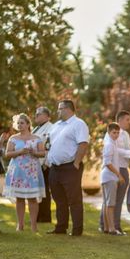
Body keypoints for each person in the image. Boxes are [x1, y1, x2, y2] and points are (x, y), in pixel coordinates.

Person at [46, 99, 89, 236]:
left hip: (70, 167)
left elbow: (83, 144)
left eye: (60, 108)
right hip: (55, 168)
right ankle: (61, 227)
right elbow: (51, 144)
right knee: (59, 199)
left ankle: (77, 230)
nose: (57, 111)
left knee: (74, 200)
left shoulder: (79, 124)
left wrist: (76, 163)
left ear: (68, 109)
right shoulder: (56, 125)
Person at [98, 110, 130, 235]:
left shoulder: (125, 134)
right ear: (120, 120)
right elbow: (115, 150)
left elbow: (124, 151)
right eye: (127, 119)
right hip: (115, 170)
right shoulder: (111, 134)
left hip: (122, 167)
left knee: (115, 200)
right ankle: (109, 226)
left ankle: (111, 226)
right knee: (112, 200)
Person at [3, 113, 46, 232]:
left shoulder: (36, 138)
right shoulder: (13, 138)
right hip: (18, 172)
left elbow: (43, 153)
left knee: (32, 198)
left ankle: (33, 225)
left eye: (22, 123)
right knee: (20, 198)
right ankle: (20, 225)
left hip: (32, 172)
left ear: (28, 124)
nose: (19, 125)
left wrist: (34, 153)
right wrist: (20, 151)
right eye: (18, 123)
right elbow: (7, 154)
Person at [100, 123, 126, 235]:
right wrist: (119, 175)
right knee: (110, 204)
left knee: (107, 203)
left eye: (117, 133)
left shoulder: (112, 143)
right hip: (109, 177)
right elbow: (107, 163)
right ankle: (111, 228)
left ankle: (106, 227)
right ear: (108, 132)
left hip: (107, 177)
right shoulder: (109, 144)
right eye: (113, 133)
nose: (116, 135)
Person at [33, 106, 54, 223]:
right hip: (35, 164)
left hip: (45, 165)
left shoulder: (51, 128)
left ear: (46, 116)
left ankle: (45, 216)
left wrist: (46, 163)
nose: (36, 116)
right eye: (36, 114)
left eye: (39, 114)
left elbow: (49, 147)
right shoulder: (36, 129)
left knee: (45, 191)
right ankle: (38, 215)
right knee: (38, 191)